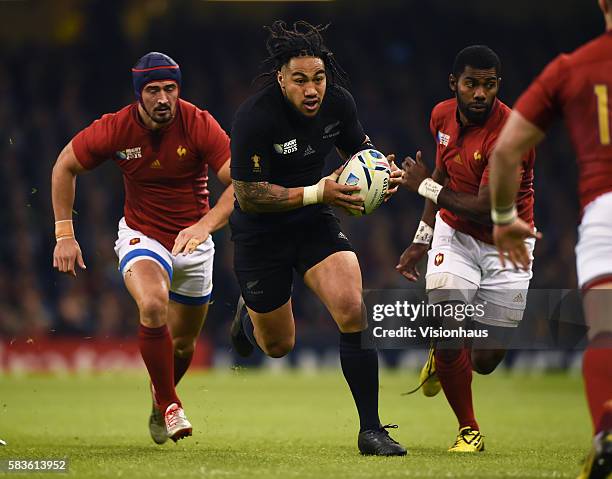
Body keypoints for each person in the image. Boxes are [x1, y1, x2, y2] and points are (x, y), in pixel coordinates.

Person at [228, 20, 406, 456]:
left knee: (351, 307)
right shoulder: (255, 117)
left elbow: (360, 152)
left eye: (319, 78)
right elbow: (249, 196)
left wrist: (383, 173)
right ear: (281, 79)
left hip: (312, 223)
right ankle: (249, 314)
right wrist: (317, 191)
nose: (312, 90)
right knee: (277, 345)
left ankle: (371, 430)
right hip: (260, 235)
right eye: (301, 80)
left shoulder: (338, 104)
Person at [51, 52, 234, 444]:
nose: (164, 98)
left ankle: (159, 398)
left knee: (183, 344)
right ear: (139, 94)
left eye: (170, 88)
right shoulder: (115, 128)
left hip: (195, 241)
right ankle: (170, 405)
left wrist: (204, 225)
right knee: (153, 305)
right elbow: (64, 165)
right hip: (142, 235)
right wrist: (64, 234)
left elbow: (241, 185)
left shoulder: (200, 123)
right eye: (153, 90)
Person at [489, 1, 612, 476]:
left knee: (606, 331)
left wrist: (503, 217)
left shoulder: (571, 68)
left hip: (605, 209)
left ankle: (606, 431)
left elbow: (505, 153)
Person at [396, 45, 536, 452]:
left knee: (485, 360)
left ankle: (444, 356)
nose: (480, 93)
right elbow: (442, 171)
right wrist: (422, 238)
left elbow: (486, 206)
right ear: (454, 84)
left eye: (489, 85)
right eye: (472, 83)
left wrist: (424, 186)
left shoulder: (511, 135)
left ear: (498, 87)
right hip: (454, 235)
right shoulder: (441, 115)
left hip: (507, 243)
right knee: (448, 322)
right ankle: (468, 430)